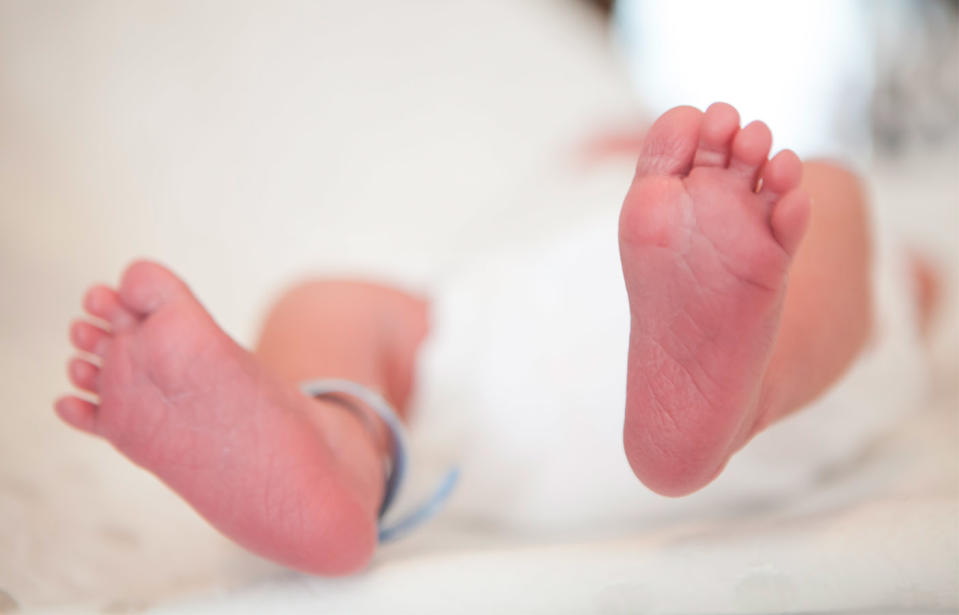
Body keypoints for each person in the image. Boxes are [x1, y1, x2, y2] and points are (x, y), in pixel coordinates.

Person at [54, 103, 928, 576]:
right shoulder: (579, 190)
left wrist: (919, 279)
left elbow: (922, 289)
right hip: (532, 375)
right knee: (834, 195)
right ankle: (333, 449)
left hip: (489, 410)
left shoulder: (673, 207)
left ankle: (345, 437)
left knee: (338, 302)